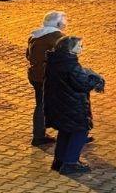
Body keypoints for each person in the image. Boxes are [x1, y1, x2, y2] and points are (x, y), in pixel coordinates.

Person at [43, 35, 105, 175]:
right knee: (80, 131)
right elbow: (82, 84)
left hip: (60, 103)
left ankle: (59, 161)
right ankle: (70, 163)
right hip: (72, 105)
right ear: (70, 49)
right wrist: (95, 79)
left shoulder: (55, 61)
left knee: (65, 131)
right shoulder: (70, 64)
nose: (81, 48)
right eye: (79, 46)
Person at [27, 11, 68, 146]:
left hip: (35, 75)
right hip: (50, 76)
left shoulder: (35, 35)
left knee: (41, 104)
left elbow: (28, 55)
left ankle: (39, 134)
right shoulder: (58, 38)